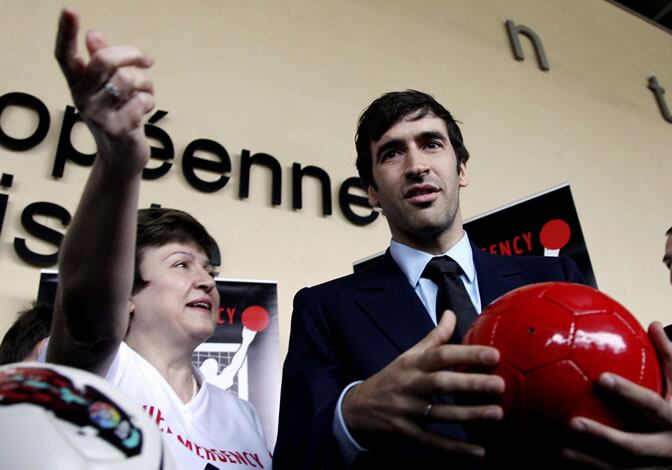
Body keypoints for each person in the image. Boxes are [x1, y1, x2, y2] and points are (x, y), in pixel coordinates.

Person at [274, 90, 672, 468]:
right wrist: (352, 413)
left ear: (461, 169)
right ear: (372, 192)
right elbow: (293, 460)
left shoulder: (554, 277)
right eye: (392, 153)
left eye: (431, 143)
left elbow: (608, 410)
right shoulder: (324, 308)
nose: (416, 166)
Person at [45, 9, 271, 469]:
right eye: (182, 264)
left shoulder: (243, 417)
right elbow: (86, 309)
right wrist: (118, 159)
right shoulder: (101, 371)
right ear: (126, 294)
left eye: (209, 269)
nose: (207, 282)